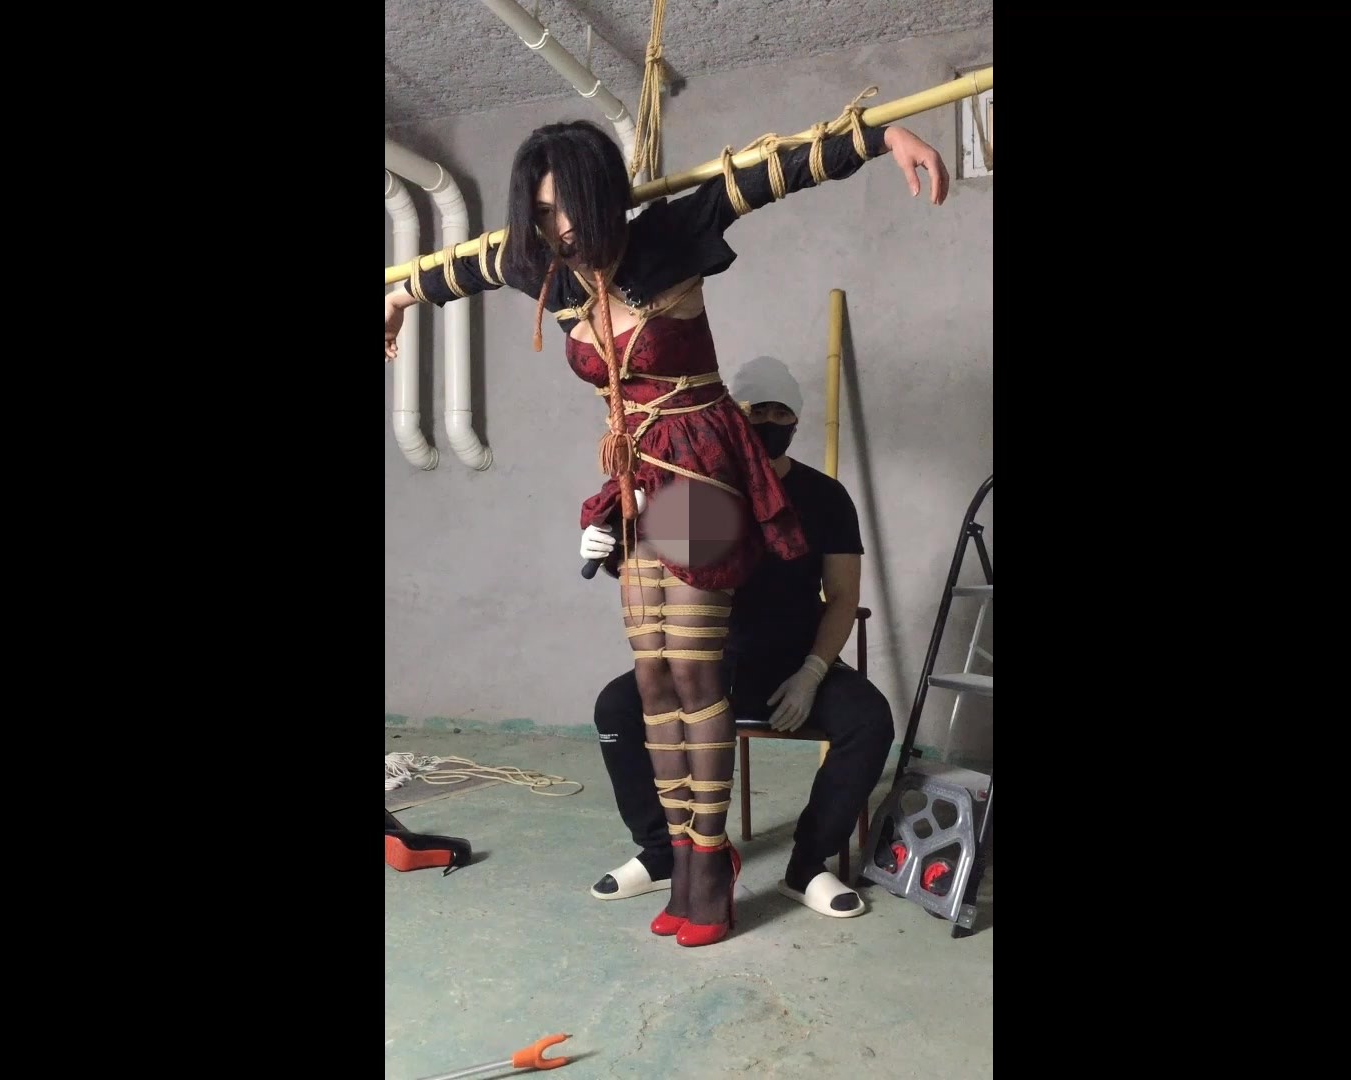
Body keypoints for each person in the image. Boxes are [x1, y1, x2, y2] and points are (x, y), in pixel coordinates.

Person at [384, 105, 947, 947]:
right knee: (652, 682)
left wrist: (878, 137)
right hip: (637, 478)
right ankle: (684, 858)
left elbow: (769, 171)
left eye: (568, 207)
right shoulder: (549, 270)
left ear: (602, 195)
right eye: (541, 212)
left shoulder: (668, 236)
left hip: (701, 471)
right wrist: (399, 296)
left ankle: (707, 865)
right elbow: (462, 268)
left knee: (692, 674)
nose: (558, 227)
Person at [585, 357, 895, 922]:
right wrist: (610, 542)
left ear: (796, 420)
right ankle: (662, 853)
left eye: (780, 412)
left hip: (791, 665)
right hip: (702, 663)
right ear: (731, 418)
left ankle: (808, 865)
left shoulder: (825, 497)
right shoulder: (698, 492)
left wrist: (812, 673)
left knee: (869, 720)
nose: (768, 422)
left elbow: (843, 596)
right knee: (616, 708)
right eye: (755, 411)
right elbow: (655, 571)